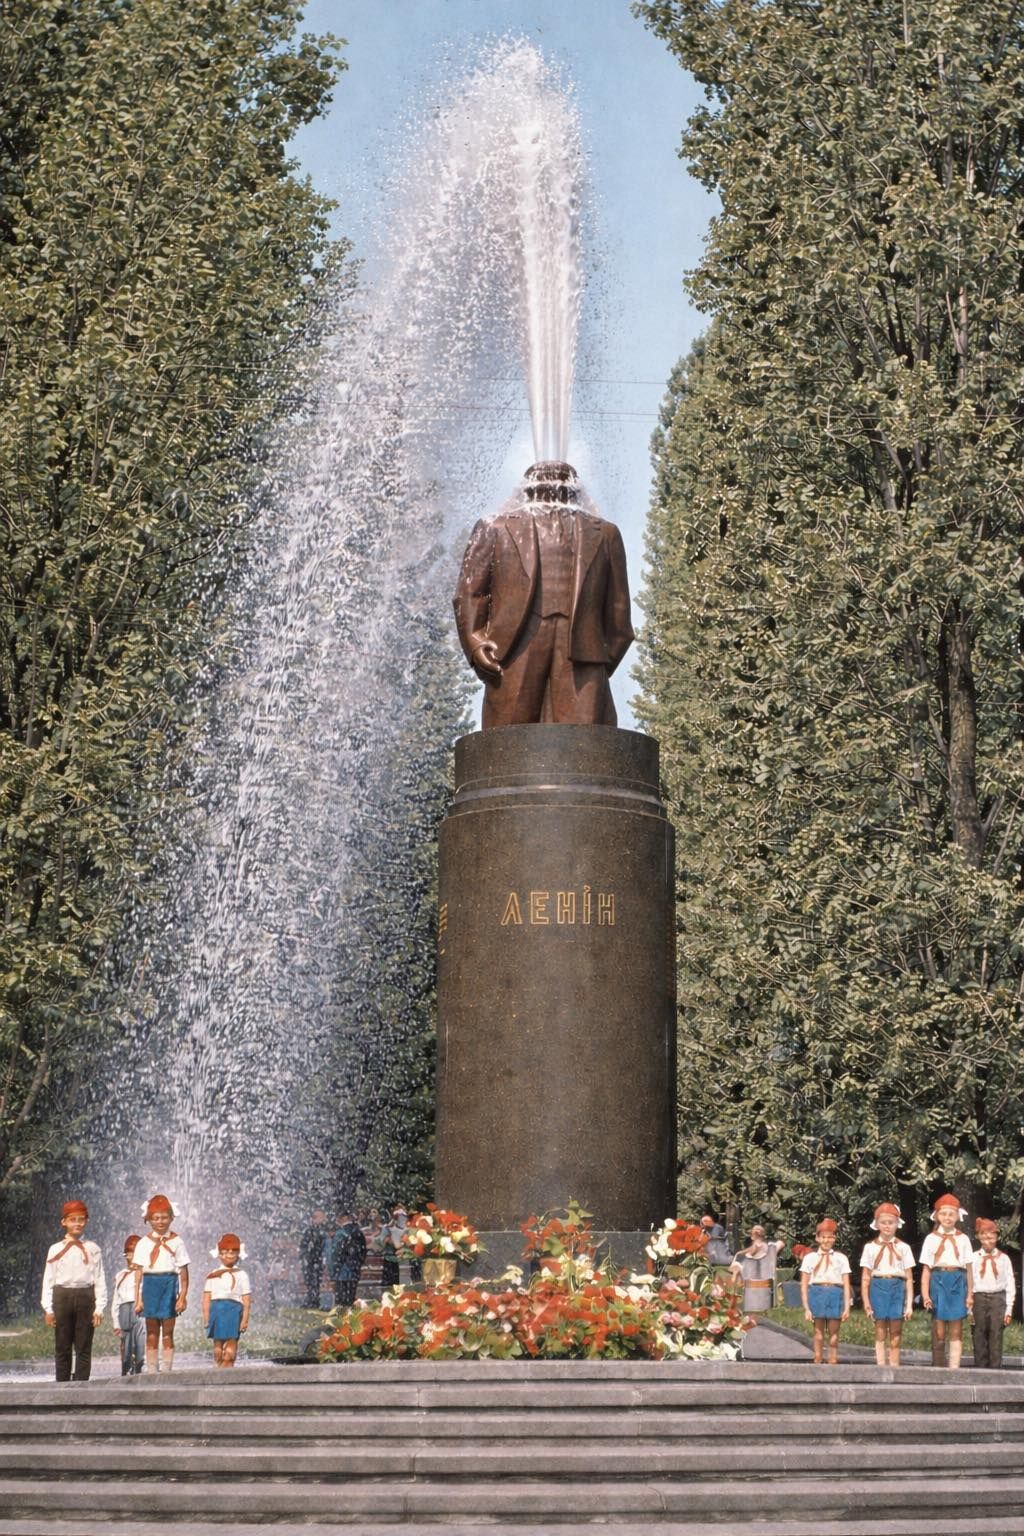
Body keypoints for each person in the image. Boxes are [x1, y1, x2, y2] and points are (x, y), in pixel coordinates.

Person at [453, 461, 634, 727]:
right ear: (528, 488)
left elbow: (619, 615)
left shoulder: (606, 534)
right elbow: (470, 593)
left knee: (585, 743)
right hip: (515, 646)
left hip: (582, 653)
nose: (551, 486)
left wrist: (599, 659)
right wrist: (477, 642)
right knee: (507, 738)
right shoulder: (494, 528)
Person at [40, 1199, 107, 1382]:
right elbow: (49, 1279)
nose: (77, 1223)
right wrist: (48, 1309)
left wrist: (99, 1307)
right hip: (62, 1296)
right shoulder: (55, 1249)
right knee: (63, 1345)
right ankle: (61, 1386)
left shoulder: (93, 1248)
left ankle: (81, 1386)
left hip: (86, 1296)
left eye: (81, 1219)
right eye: (72, 1219)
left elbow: (99, 1278)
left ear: (86, 1221)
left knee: (84, 1345)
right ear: (64, 1222)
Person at [133, 1193, 190, 1374]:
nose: (160, 1221)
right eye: (156, 1218)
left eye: (164, 1217)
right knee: (151, 1332)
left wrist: (182, 1297)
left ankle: (167, 1369)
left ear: (172, 1218)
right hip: (150, 1286)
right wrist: (138, 1299)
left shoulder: (177, 1241)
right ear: (149, 1220)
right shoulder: (143, 1243)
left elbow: (183, 1271)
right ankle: (151, 1369)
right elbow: (138, 1274)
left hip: (168, 1285)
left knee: (167, 1332)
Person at [920, 1193, 973, 1369]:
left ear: (958, 1216)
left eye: (951, 1214)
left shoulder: (963, 1239)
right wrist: (925, 1294)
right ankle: (938, 1368)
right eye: (943, 1214)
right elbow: (926, 1270)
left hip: (958, 1281)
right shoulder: (930, 1239)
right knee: (939, 1328)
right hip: (938, 1281)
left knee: (956, 1329)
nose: (947, 1218)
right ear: (937, 1216)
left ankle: (954, 1369)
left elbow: (969, 1269)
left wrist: (970, 1294)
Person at [860, 1202, 915, 1367]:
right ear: (876, 1224)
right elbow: (865, 1278)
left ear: (897, 1224)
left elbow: (909, 1278)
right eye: (883, 1222)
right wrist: (867, 1303)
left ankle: (895, 1366)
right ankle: (881, 1366)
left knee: (896, 1331)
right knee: (880, 1329)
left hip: (897, 1287)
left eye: (891, 1222)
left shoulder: (904, 1248)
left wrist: (909, 1304)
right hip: (878, 1286)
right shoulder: (870, 1248)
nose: (887, 1226)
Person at [799, 1219, 852, 1366]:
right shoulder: (810, 1258)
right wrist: (806, 1308)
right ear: (817, 1238)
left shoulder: (841, 1258)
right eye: (823, 1237)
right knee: (818, 1332)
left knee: (834, 1334)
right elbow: (804, 1284)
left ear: (834, 1238)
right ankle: (817, 1359)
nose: (826, 1240)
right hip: (817, 1293)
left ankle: (833, 1360)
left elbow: (846, 1284)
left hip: (835, 1293)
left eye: (830, 1237)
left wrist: (847, 1306)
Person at [971, 1218, 1015, 1369]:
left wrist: (1009, 1308)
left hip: (998, 1298)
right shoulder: (973, 1257)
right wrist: (969, 1304)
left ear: (997, 1237)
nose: (987, 1239)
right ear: (978, 1237)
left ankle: (995, 1369)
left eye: (991, 1236)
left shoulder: (1004, 1259)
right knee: (979, 1332)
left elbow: (1010, 1283)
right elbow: (970, 1281)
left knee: (996, 1332)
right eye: (984, 1235)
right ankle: (980, 1368)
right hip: (979, 1298)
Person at [203, 1233, 251, 1368]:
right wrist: (206, 1318)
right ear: (219, 1254)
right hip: (217, 1311)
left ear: (238, 1254)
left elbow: (246, 1300)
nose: (229, 1254)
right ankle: (218, 1368)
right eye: (225, 1251)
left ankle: (228, 1368)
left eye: (233, 1251)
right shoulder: (212, 1275)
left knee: (231, 1345)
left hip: (234, 1311)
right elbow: (206, 1298)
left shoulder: (242, 1275)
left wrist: (245, 1320)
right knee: (217, 1347)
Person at [111, 1234, 147, 1376]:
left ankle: (139, 1367)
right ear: (126, 1255)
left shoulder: (145, 1274)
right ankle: (125, 1369)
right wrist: (115, 1322)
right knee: (125, 1343)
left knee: (140, 1342)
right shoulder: (121, 1275)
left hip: (139, 1308)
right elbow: (116, 1299)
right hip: (124, 1309)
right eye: (131, 1254)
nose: (133, 1258)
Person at [730, 1225, 784, 1313]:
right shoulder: (771, 1249)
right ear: (764, 1236)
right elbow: (781, 1243)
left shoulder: (741, 1256)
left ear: (752, 1236)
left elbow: (736, 1281)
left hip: (751, 1294)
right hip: (767, 1294)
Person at [329, 1210, 366, 1308]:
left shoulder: (340, 1233)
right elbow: (363, 1252)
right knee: (351, 1298)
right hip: (354, 1271)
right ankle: (350, 1319)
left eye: (338, 1218)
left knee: (341, 1301)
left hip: (341, 1272)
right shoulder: (359, 1232)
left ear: (344, 1218)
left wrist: (333, 1272)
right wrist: (357, 1265)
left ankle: (340, 1319)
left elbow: (335, 1255)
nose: (337, 1220)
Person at [299, 1209, 327, 1308]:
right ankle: (312, 1300)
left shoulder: (321, 1230)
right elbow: (303, 1245)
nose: (323, 1219)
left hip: (316, 1260)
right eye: (321, 1217)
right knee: (311, 1281)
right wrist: (304, 1257)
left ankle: (313, 1301)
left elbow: (322, 1247)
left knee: (315, 1282)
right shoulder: (310, 1230)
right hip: (310, 1260)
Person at [381, 1205, 407, 1290]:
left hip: (401, 1259)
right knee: (388, 1282)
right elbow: (384, 1242)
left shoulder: (405, 1229)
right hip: (389, 1257)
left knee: (398, 1282)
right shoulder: (387, 1228)